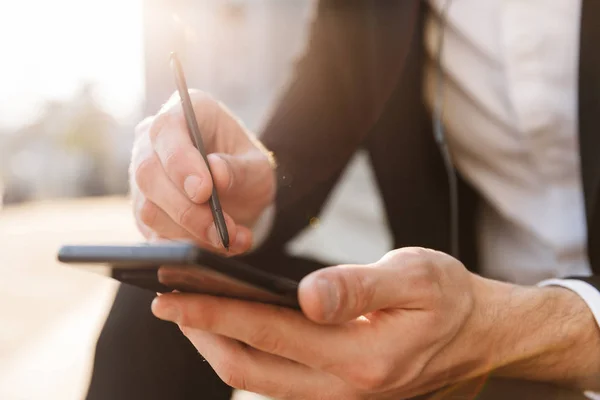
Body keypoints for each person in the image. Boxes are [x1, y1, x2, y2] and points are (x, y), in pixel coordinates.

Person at [86, 1, 600, 399]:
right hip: (461, 329)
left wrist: (508, 331)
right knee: (159, 305)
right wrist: (241, 190)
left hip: (541, 337)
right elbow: (294, 158)